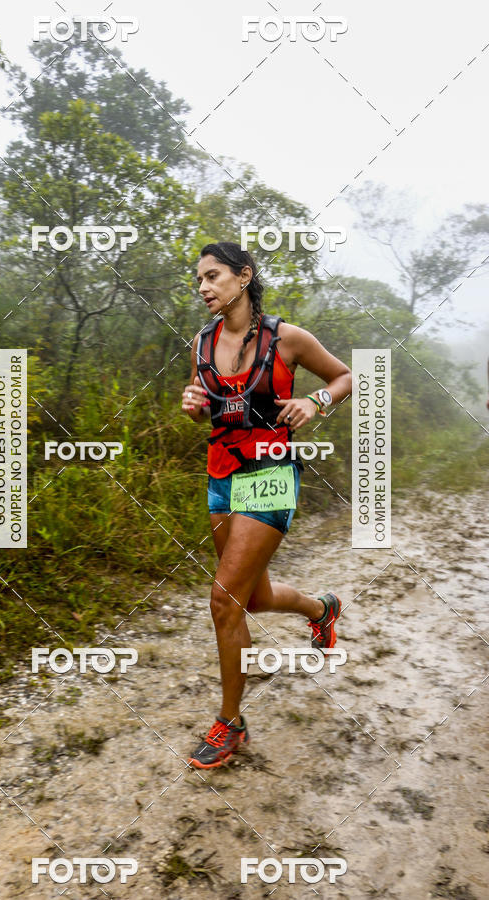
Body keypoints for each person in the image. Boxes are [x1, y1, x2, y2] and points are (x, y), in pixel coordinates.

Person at [182, 241, 352, 769]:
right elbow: (201, 403)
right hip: (220, 473)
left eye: (213, 277)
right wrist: (193, 405)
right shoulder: (201, 343)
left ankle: (231, 724)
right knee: (249, 600)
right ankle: (321, 608)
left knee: (223, 600)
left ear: (243, 277)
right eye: (199, 281)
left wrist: (314, 401)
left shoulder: (288, 339)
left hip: (270, 475)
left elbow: (346, 376)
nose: (204, 288)